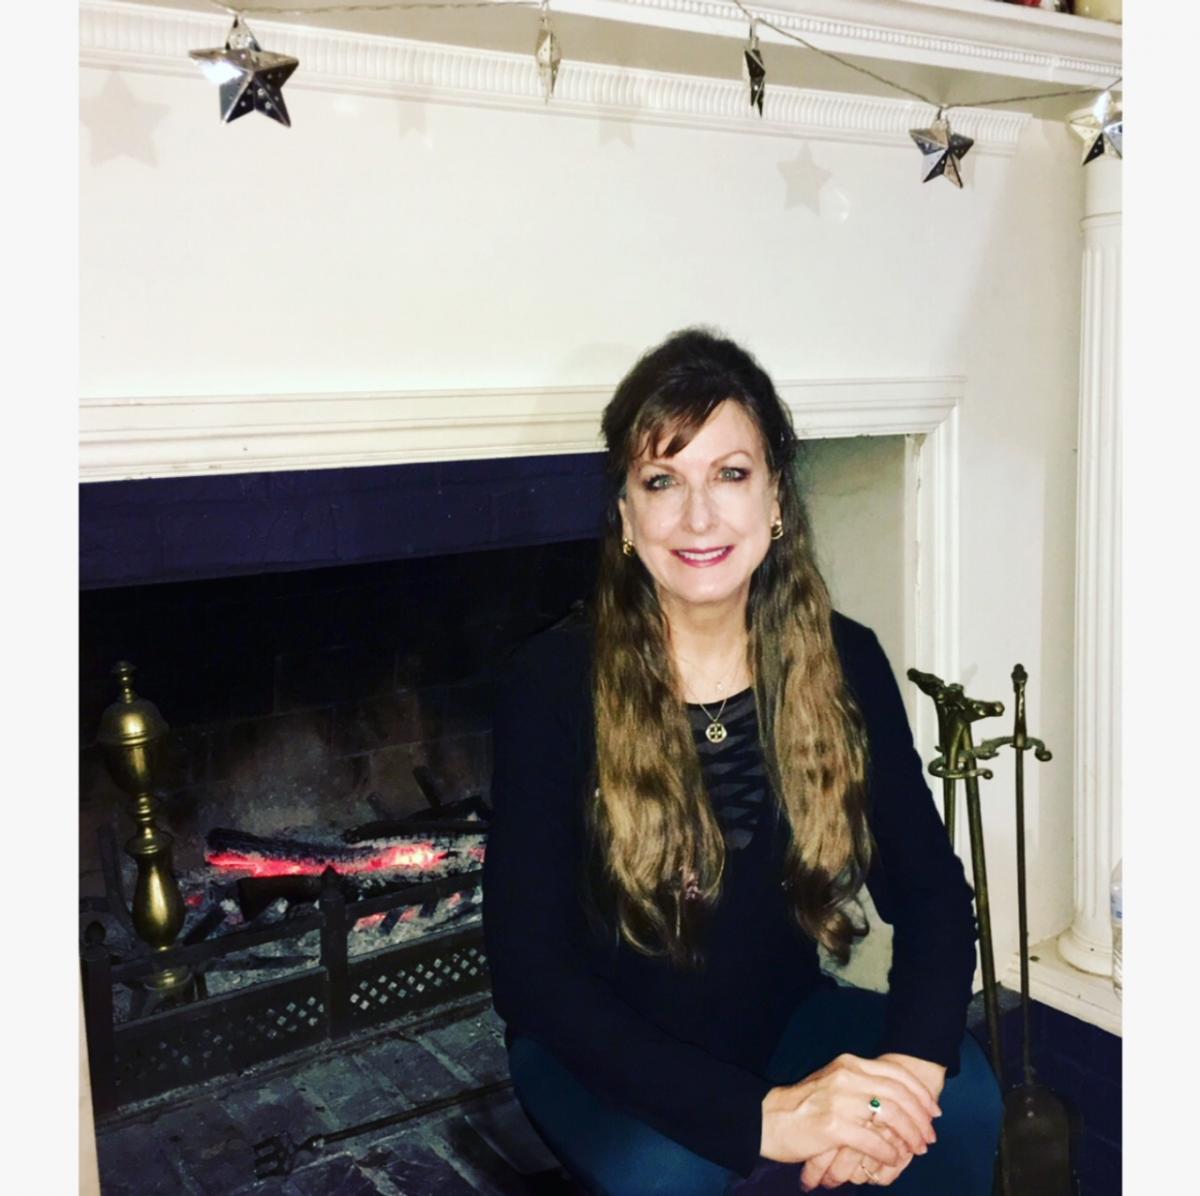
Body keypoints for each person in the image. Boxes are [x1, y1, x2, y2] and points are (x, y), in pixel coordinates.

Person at [482, 328, 1002, 1194]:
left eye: (729, 474)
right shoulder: (552, 683)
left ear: (775, 501)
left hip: (785, 1019)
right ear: (625, 517)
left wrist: (908, 1077)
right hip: (601, 1054)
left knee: (964, 1103)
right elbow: (530, 975)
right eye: (662, 481)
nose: (698, 517)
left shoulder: (845, 660)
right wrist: (765, 1118)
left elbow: (932, 895)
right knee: (667, 1173)